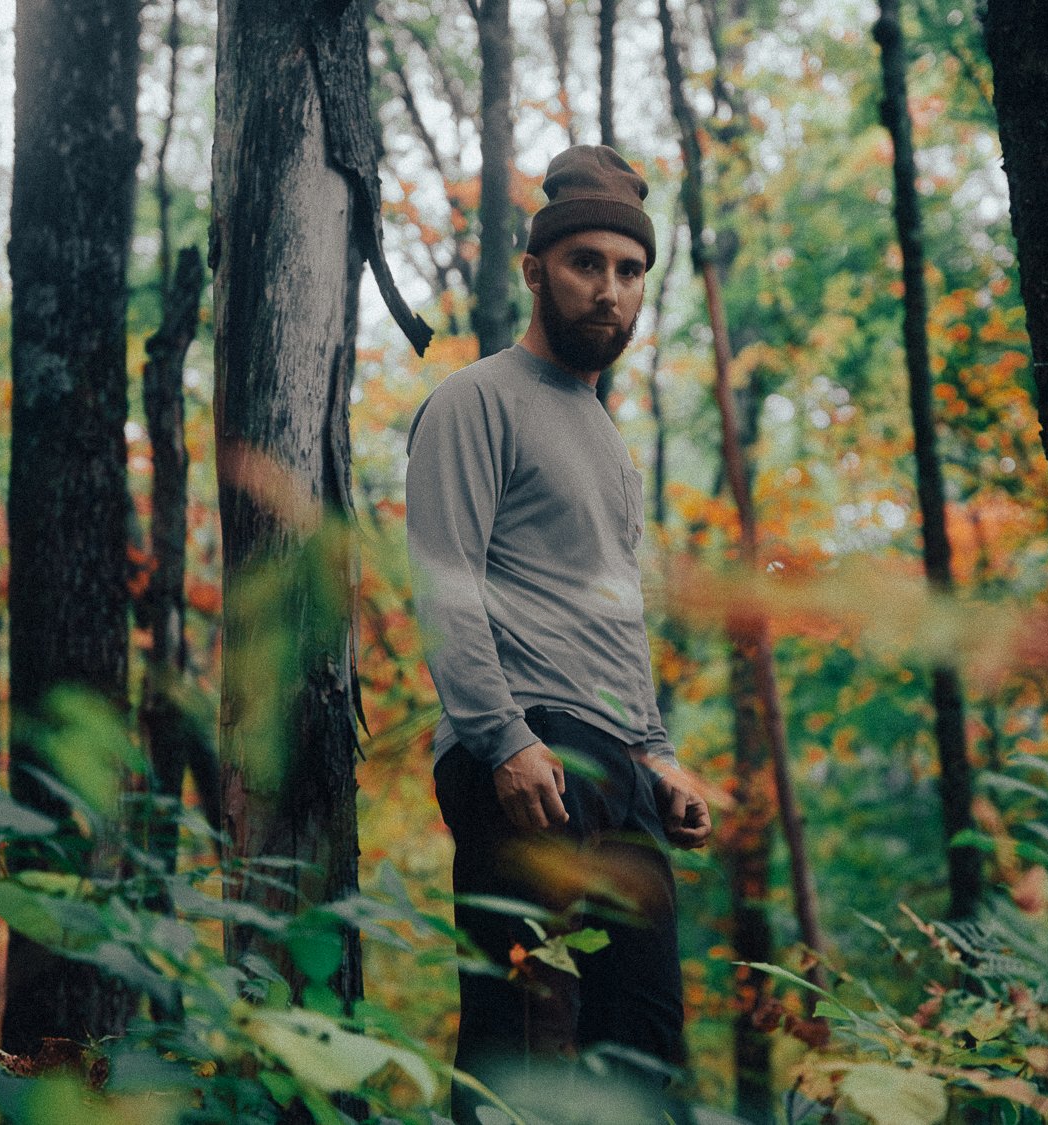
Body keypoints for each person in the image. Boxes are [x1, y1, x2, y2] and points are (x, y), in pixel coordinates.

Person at [405, 144, 714, 1123]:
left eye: (630, 271)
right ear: (536, 270)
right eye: (587, 263)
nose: (610, 291)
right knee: (523, 1030)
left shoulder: (608, 442)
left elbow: (616, 616)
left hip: (616, 766)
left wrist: (660, 757)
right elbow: (445, 580)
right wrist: (501, 738)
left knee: (646, 1047)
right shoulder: (476, 400)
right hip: (526, 753)